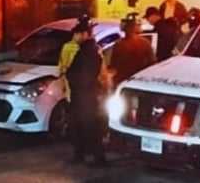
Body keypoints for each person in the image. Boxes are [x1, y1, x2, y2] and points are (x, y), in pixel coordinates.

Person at [66, 17, 107, 166]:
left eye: (77, 34)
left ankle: (96, 156)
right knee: (82, 126)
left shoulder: (88, 52)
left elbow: (84, 76)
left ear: (84, 34)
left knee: (88, 126)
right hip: (84, 95)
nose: (74, 37)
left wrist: (72, 79)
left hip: (84, 96)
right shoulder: (87, 51)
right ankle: (84, 154)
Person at [108, 14, 157, 86]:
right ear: (135, 26)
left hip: (123, 83)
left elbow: (114, 65)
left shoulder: (119, 44)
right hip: (139, 82)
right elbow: (152, 63)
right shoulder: (144, 43)